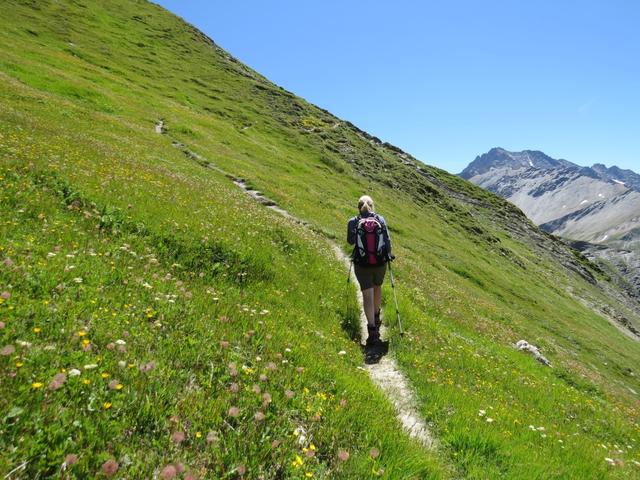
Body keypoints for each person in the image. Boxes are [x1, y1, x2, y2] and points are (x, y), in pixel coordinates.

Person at [347, 195, 393, 345]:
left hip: (362, 264)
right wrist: (388, 255)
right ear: (372, 206)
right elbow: (387, 240)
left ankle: (372, 329)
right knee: (377, 288)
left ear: (358, 207)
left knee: (367, 295)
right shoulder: (380, 219)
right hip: (380, 263)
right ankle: (377, 316)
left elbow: (350, 241)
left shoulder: (353, 221)